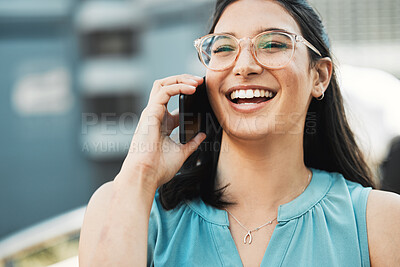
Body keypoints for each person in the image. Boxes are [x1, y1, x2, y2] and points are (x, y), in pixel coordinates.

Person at [78, 0, 400, 266]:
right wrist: (141, 174)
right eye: (223, 48)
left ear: (319, 76)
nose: (244, 65)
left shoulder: (380, 222)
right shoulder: (127, 207)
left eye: (272, 43)